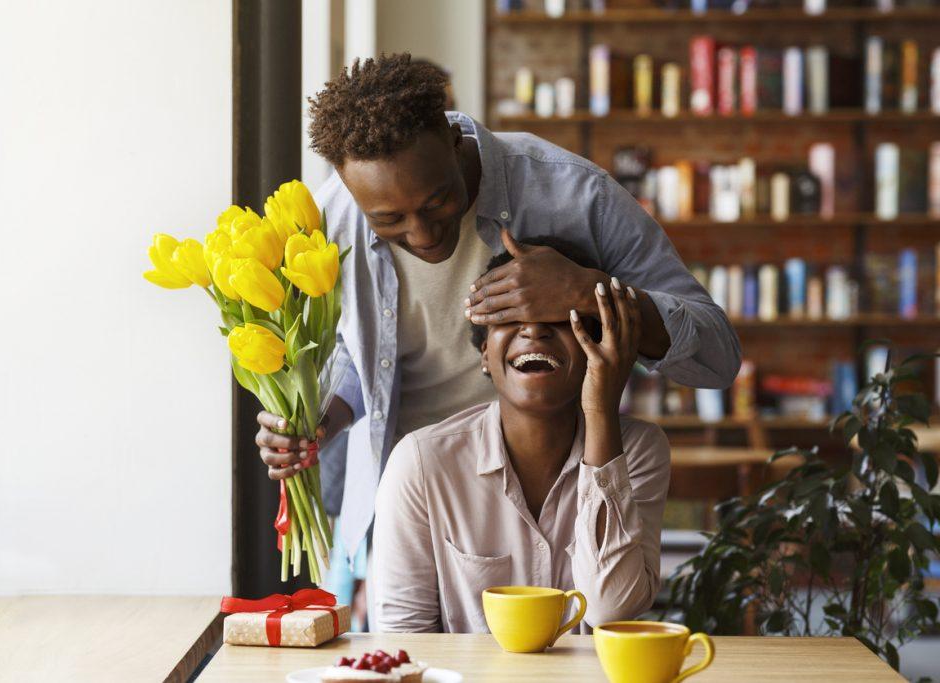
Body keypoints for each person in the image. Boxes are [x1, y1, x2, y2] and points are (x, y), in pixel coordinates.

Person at [255, 53, 739, 574]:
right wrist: (321, 416)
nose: (422, 235)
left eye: (437, 201)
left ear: (452, 136)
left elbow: (716, 356)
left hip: (558, 505)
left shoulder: (573, 194)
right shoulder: (333, 219)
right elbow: (361, 351)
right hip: (413, 505)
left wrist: (586, 288)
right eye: (390, 220)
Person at [372, 238, 670, 632]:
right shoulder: (422, 464)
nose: (533, 330)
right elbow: (403, 638)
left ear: (600, 345)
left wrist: (601, 409)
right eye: (509, 317)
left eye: (561, 317)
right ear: (483, 354)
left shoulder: (637, 450)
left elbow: (610, 610)